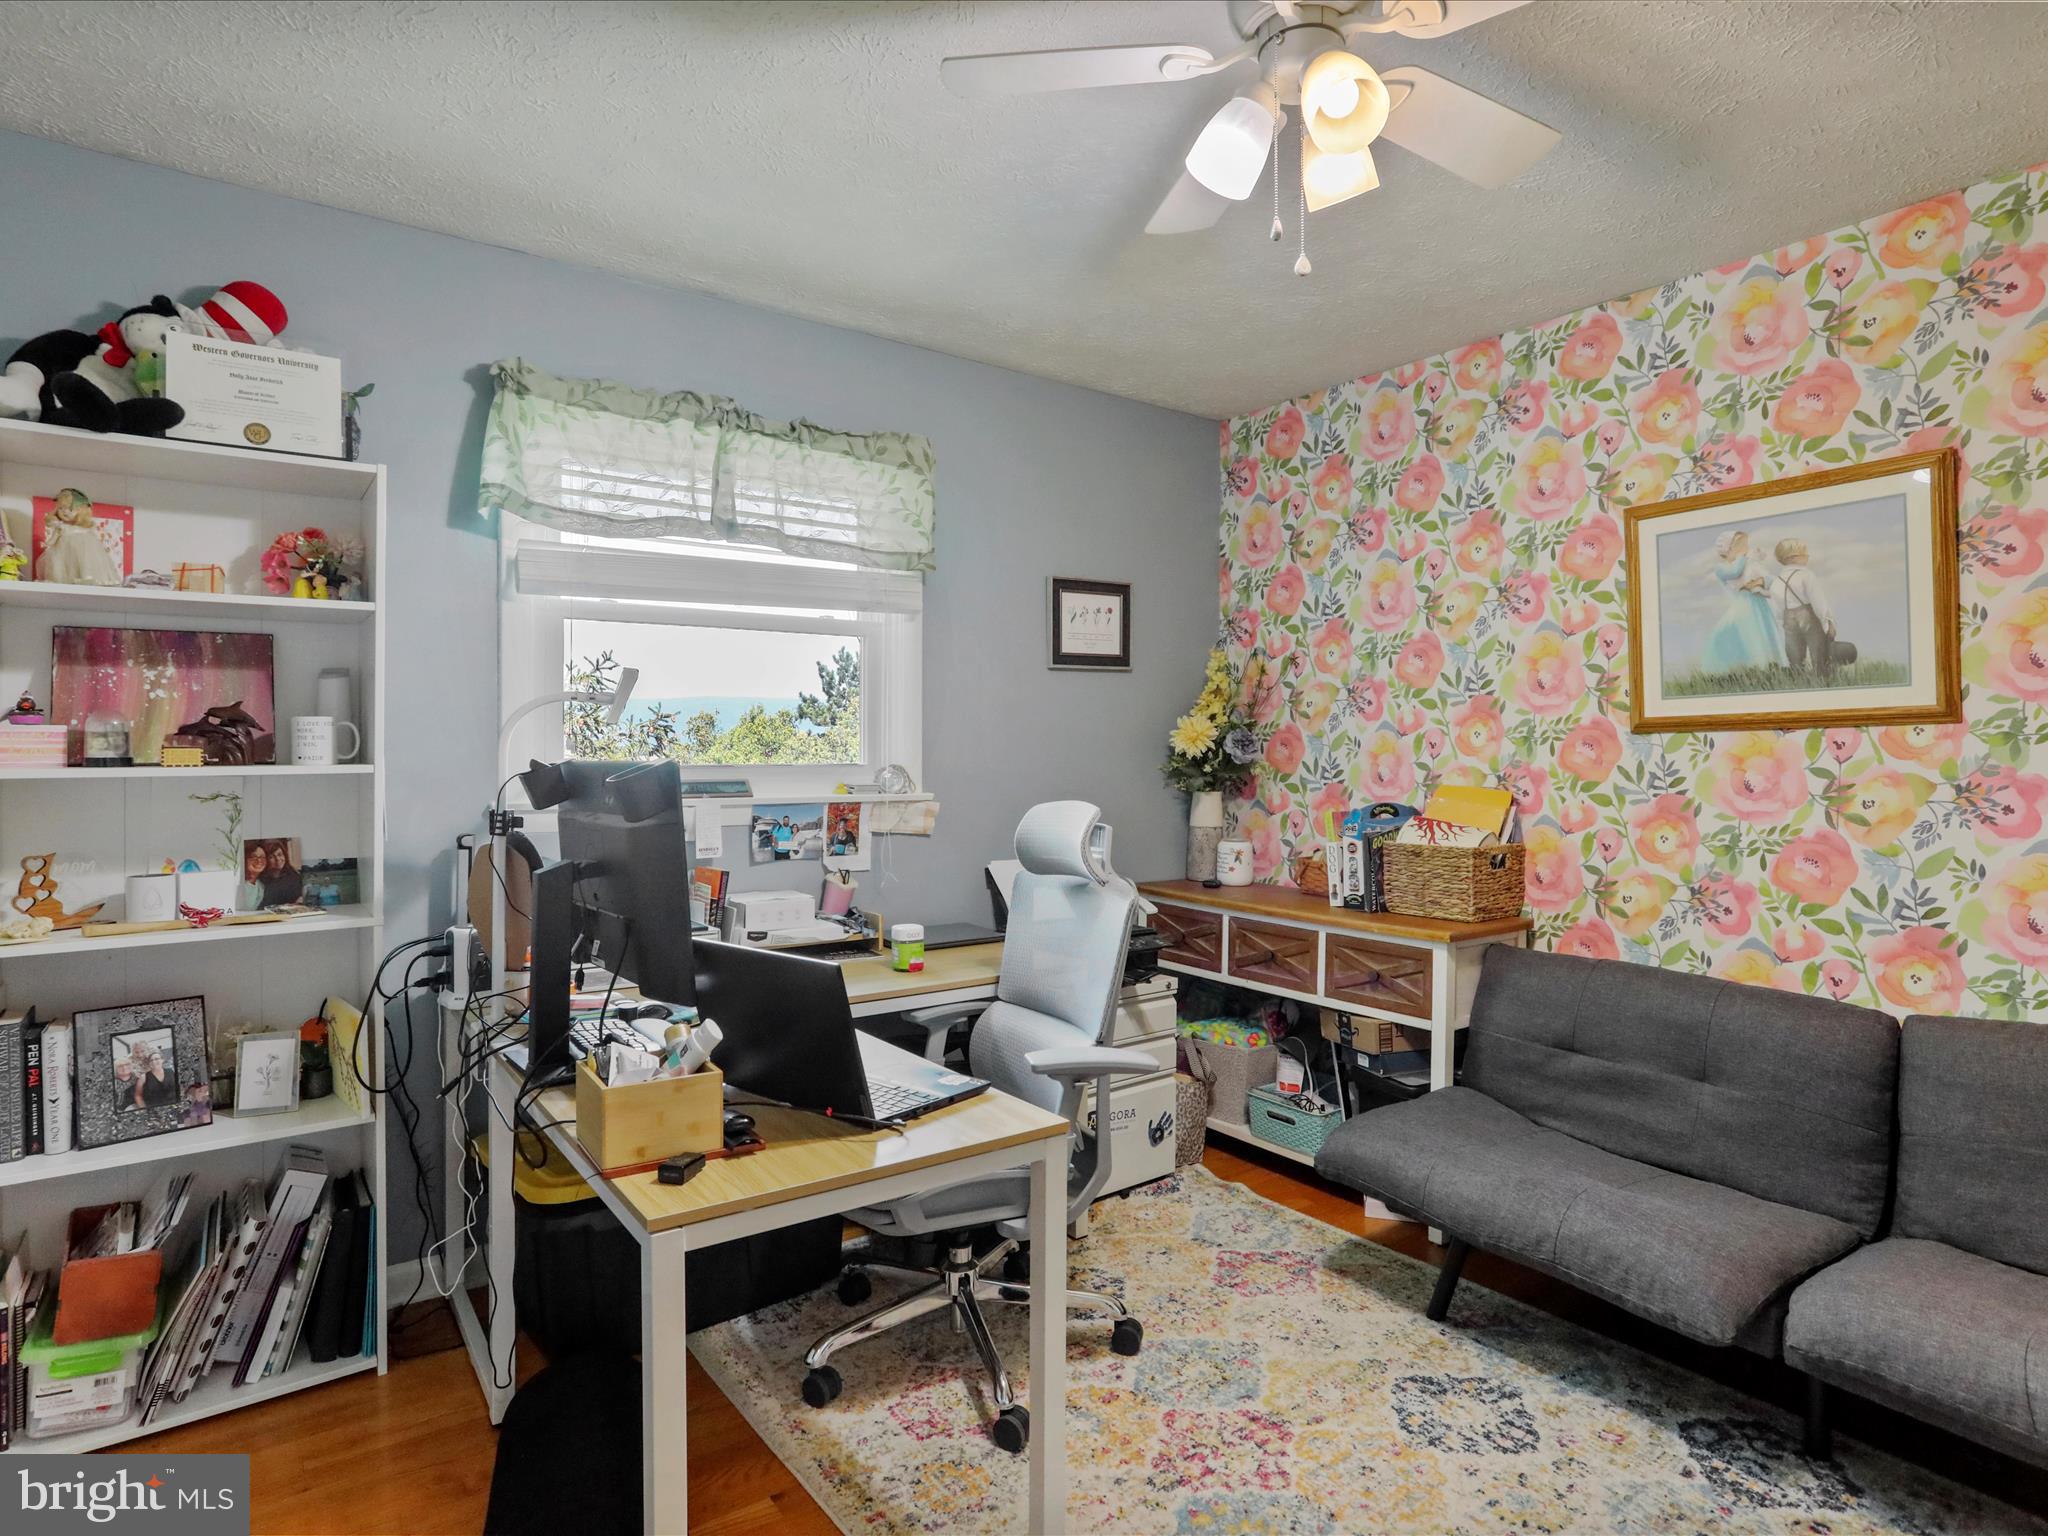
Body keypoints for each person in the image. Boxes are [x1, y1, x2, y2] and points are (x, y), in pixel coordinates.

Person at [1697, 529, 1783, 675]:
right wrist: (1744, 558)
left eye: (1746, 545)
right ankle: (1741, 670)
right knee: (1743, 634)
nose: (1745, 549)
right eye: (1741, 546)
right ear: (1728, 549)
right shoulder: (1722, 568)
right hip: (1742, 605)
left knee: (1764, 631)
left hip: (1758, 602)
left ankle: (1769, 668)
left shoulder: (1749, 562)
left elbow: (1768, 577)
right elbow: (1735, 572)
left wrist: (1759, 581)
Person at [1773, 538, 1837, 679]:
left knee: (1795, 655)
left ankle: (1798, 681)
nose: (1807, 557)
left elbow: (1777, 609)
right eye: (1805, 554)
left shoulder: (1776, 581)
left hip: (1788, 619)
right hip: (1808, 616)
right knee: (1818, 651)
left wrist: (1781, 625)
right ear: (1793, 557)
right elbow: (1818, 601)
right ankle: (1822, 679)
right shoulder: (1806, 575)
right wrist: (1828, 623)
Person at [38, 488, 122, 586]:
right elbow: (54, 538)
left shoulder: (86, 531)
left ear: (80, 510)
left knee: (85, 561)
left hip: (83, 551)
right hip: (63, 553)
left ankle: (85, 576)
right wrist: (47, 543)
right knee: (62, 566)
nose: (65, 512)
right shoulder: (61, 527)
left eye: (70, 509)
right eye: (61, 508)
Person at [259, 840, 304, 907]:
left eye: (280, 854)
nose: (277, 859)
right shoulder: (260, 881)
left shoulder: (293, 875)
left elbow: (300, 897)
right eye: (271, 857)